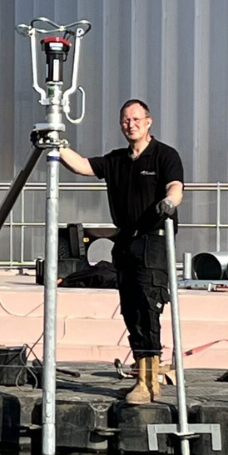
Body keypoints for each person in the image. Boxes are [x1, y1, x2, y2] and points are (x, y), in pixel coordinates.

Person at [58, 99, 184, 404]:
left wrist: (169, 202)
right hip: (125, 242)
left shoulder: (164, 155)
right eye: (126, 120)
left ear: (148, 122)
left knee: (148, 305)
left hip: (153, 241)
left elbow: (176, 186)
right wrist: (56, 145)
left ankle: (149, 381)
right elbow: (83, 165)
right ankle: (143, 375)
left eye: (136, 119)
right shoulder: (117, 160)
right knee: (130, 309)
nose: (131, 124)